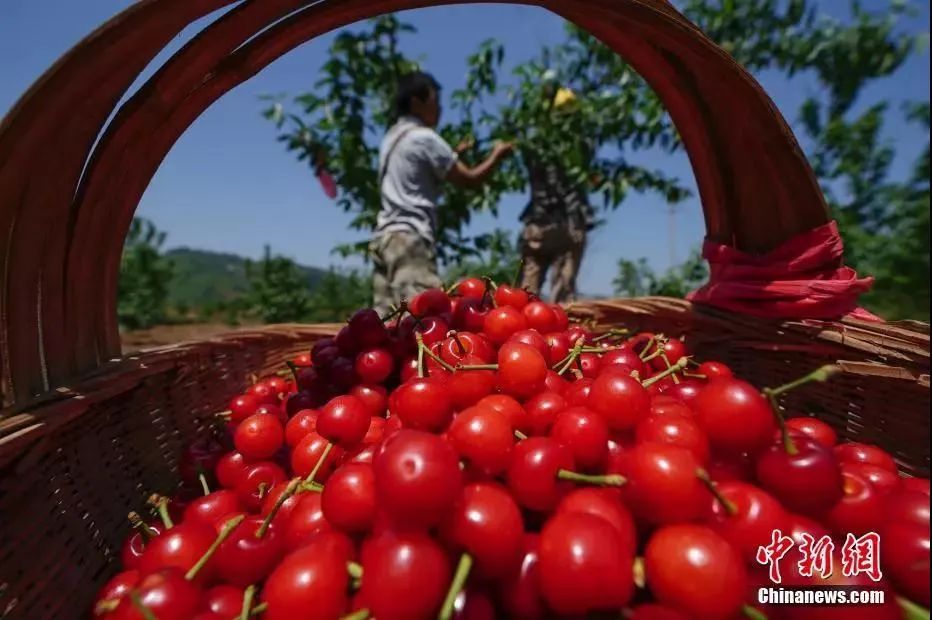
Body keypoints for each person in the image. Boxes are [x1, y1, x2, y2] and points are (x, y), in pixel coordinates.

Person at [371, 71, 514, 317]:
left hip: (386, 237)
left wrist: (455, 153)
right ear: (417, 102)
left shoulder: (392, 137)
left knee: (386, 321)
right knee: (426, 319)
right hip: (410, 239)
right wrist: (496, 156)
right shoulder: (425, 137)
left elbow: (419, 169)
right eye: (436, 101)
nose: (440, 109)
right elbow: (469, 179)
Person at [516, 83, 596, 304]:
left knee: (525, 292)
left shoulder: (535, 143)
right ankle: (560, 334)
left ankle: (518, 334)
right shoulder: (579, 143)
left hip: (538, 224)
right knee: (564, 296)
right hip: (569, 223)